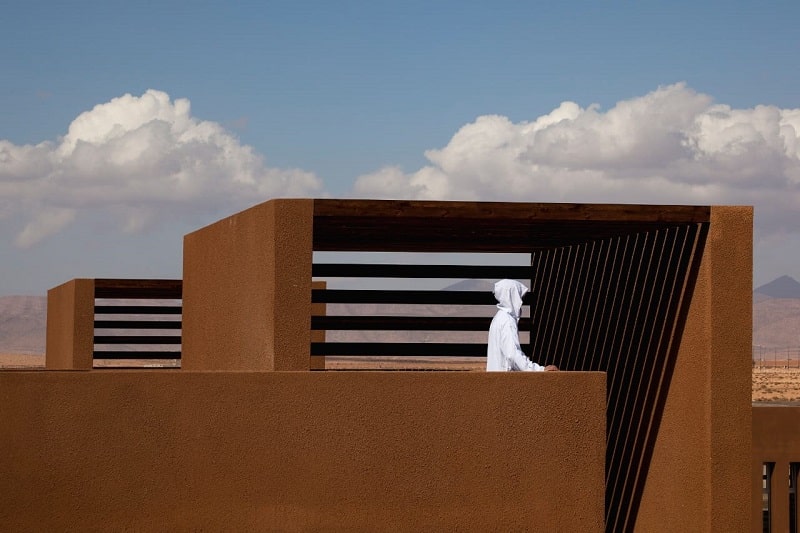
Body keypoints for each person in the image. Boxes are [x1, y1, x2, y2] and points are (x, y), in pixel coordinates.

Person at [486, 279, 558, 372]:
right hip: (504, 378)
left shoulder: (499, 318)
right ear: (512, 296)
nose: (521, 302)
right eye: (519, 297)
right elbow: (513, 354)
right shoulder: (507, 321)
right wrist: (539, 370)